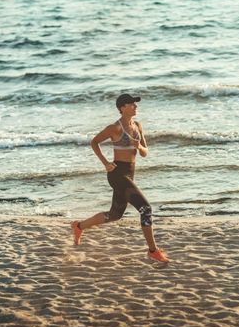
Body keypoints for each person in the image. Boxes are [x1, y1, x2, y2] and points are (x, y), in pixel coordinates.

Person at [71, 93, 169, 263]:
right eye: (132, 104)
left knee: (115, 215)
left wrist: (139, 147)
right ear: (122, 108)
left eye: (135, 104)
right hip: (117, 173)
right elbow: (94, 142)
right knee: (146, 209)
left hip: (130, 172)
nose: (136, 106)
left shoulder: (138, 126)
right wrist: (105, 163)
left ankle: (79, 226)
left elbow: (145, 153)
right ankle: (153, 251)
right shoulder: (114, 128)